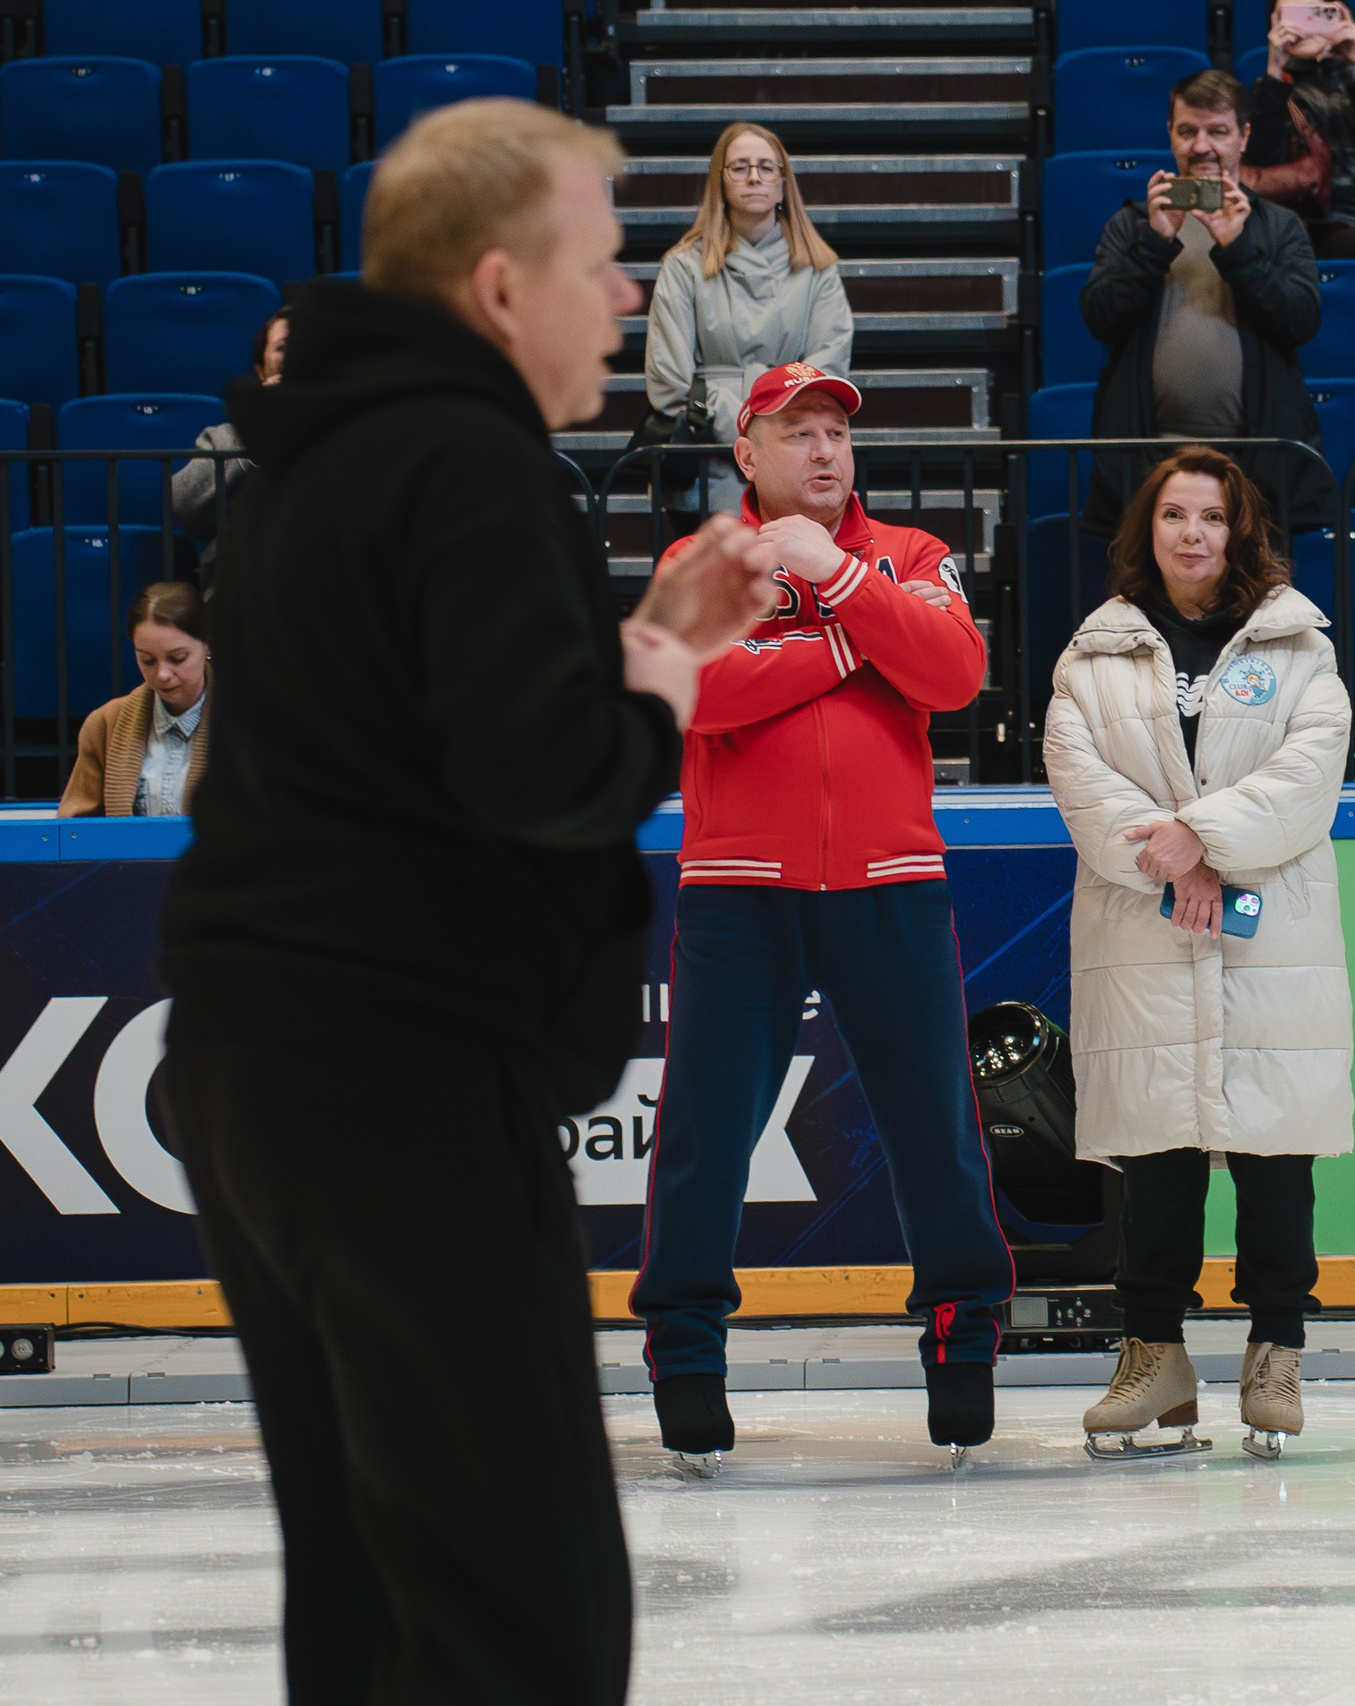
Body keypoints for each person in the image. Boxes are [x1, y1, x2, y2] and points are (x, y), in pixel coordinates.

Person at [155, 99, 768, 1704]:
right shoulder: (466, 457)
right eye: (604, 259)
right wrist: (664, 689)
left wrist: (653, 643)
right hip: (398, 1078)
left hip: (261, 1074)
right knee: (518, 1614)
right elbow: (544, 767)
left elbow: (437, 735)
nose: (627, 296)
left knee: (367, 1590)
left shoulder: (315, 465)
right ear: (500, 288)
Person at [631, 362, 1016, 1474]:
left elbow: (952, 672)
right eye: (795, 432)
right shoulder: (695, 565)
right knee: (704, 1136)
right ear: (747, 454)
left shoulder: (912, 557)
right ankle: (686, 1347)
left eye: (835, 432)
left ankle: (962, 1329)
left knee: (936, 1131)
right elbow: (696, 691)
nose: (823, 451)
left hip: (891, 880)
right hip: (739, 889)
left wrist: (839, 582)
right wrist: (856, 649)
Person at [1044, 444, 1352, 1463]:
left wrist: (1202, 842)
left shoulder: (1300, 646)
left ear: (1240, 530)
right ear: (1147, 530)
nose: (1191, 533)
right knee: (1157, 1158)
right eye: (1174, 514)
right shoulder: (1093, 657)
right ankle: (1154, 1353)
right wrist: (1178, 861)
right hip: (1146, 929)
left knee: (1274, 1155)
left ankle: (1276, 1348)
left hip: (1272, 939)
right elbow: (1084, 785)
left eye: (1210, 517)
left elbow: (1309, 773)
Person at [1081, 68, 1337, 538]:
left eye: (1217, 132)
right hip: (1149, 462)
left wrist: (1238, 247)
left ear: (1243, 137)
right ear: (1171, 137)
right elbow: (1101, 317)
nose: (1202, 146)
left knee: (1258, 608)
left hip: (1255, 464)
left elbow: (1300, 320)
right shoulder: (1133, 224)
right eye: (1188, 131)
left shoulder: (1278, 226)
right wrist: (1157, 243)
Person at [642, 121, 853, 515]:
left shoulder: (819, 269)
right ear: (720, 181)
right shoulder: (683, 266)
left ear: (782, 182)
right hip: (709, 461)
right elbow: (669, 382)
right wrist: (749, 430)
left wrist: (773, 436)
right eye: (739, 167)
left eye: (766, 167)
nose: (753, 177)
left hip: (794, 458)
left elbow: (828, 371)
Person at [1243, 3, 1355, 261]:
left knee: (1345, 244)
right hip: (1289, 215)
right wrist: (1276, 71)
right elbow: (1261, 159)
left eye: (1316, 14)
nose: (1307, 26)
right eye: (1296, 16)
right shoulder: (1270, 87)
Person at [59, 581, 211, 817]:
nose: (162, 674)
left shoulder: (253, 720)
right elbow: (76, 831)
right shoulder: (104, 724)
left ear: (208, 645)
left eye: (178, 658)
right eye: (147, 660)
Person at [170, 305, 289, 578]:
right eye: (283, 346)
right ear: (260, 372)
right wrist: (256, 436)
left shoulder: (347, 430)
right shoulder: (225, 437)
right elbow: (185, 505)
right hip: (246, 585)